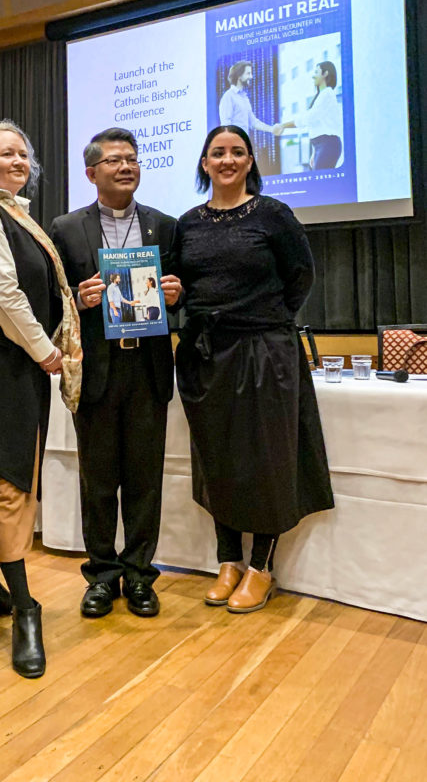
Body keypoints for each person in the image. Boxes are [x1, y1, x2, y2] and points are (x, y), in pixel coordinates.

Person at [174, 124, 334, 613]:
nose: (227, 159)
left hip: (265, 350)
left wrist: (267, 319)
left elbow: (300, 277)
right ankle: (228, 561)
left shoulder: (273, 215)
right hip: (206, 354)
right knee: (217, 456)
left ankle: (262, 567)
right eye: (217, 152)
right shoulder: (188, 222)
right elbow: (178, 282)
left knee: (267, 456)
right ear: (204, 163)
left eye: (237, 152)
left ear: (249, 162)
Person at [0, 121, 81, 678]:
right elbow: (0, 291)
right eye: (6, 152)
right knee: (4, 479)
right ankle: (25, 606)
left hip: (12, 365)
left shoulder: (15, 211)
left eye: (25, 153)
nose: (20, 160)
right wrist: (44, 351)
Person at [50, 128, 182, 618]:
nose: (126, 167)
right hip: (98, 369)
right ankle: (103, 576)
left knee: (145, 480)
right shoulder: (66, 228)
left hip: (147, 368)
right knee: (99, 480)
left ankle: (141, 576)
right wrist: (78, 301)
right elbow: (53, 299)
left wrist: (175, 295)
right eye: (114, 161)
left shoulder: (164, 227)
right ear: (91, 173)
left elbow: (181, 294)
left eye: (132, 159)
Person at [275, 61, 342, 169]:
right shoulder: (321, 95)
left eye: (316, 72)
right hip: (321, 146)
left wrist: (283, 125)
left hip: (327, 145)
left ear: (325, 74)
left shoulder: (327, 94)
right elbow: (317, 124)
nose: (313, 76)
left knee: (321, 184)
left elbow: (309, 118)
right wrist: (315, 152)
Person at [218, 61, 276, 137]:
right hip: (234, 144)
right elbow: (226, 126)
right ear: (239, 76)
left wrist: (271, 129)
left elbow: (253, 122)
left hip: (243, 143)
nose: (251, 77)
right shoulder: (228, 97)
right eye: (248, 73)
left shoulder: (244, 97)